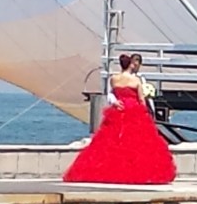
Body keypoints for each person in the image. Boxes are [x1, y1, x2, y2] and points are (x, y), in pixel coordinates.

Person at [63, 54, 177, 184]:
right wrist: (147, 112)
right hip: (134, 110)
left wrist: (116, 102)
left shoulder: (114, 79)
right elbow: (141, 99)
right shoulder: (136, 81)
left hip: (119, 110)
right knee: (138, 143)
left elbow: (110, 94)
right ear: (130, 64)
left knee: (112, 141)